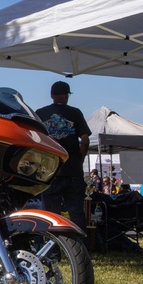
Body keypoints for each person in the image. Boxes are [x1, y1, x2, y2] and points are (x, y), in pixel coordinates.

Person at [35, 80, 91, 231]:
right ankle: (79, 250)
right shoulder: (75, 113)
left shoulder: (40, 113)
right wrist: (80, 159)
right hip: (73, 171)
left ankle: (53, 252)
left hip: (50, 172)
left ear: (52, 95)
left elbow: (34, 140)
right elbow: (85, 140)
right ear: (66, 96)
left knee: (51, 215)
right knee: (76, 213)